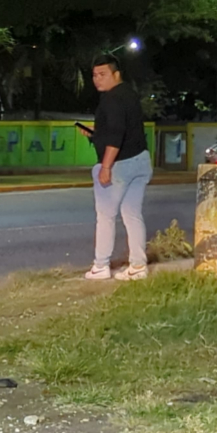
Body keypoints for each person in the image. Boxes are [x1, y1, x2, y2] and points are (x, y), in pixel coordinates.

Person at [80, 54, 152, 281]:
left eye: (102, 74)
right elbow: (122, 128)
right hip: (140, 160)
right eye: (94, 75)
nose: (97, 79)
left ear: (116, 74)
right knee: (132, 214)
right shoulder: (129, 94)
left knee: (106, 216)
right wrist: (96, 133)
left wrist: (106, 167)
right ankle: (138, 266)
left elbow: (116, 135)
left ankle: (100, 265)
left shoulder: (111, 99)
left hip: (120, 165)